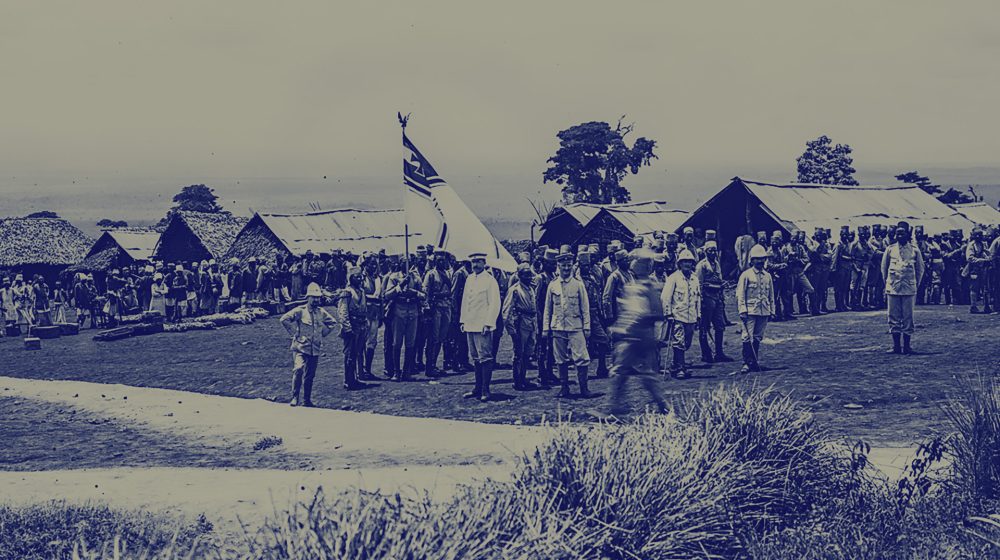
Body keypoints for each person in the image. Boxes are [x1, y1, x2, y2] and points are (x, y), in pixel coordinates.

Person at [542, 248, 592, 398]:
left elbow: (585, 308)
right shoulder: (553, 285)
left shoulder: (578, 284)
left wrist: (587, 327)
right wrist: (545, 328)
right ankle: (564, 387)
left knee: (582, 357)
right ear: (558, 265)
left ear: (572, 265)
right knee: (560, 358)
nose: (566, 268)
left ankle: (584, 388)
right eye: (563, 265)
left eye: (568, 265)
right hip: (558, 326)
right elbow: (547, 309)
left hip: (575, 326)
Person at [280, 282, 337, 406]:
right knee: (298, 369)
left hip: (314, 348)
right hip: (300, 347)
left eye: (318, 297)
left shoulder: (321, 312)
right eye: (314, 297)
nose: (316, 300)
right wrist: (293, 332)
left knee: (310, 375)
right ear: (308, 297)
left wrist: (323, 333)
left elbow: (332, 322)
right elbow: (284, 319)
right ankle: (295, 397)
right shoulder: (300, 311)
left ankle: (307, 400)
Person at [460, 252, 501, 402]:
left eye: (478, 262)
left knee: (485, 357)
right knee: (475, 357)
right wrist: (463, 321)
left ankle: (485, 389)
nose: (475, 265)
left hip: (482, 325)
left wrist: (489, 323)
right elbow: (465, 301)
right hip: (470, 324)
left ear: (484, 263)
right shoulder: (469, 279)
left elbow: (494, 304)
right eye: (473, 262)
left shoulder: (490, 281)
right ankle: (477, 388)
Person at [881, 221, 925, 355]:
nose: (899, 236)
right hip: (893, 288)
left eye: (902, 233)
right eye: (897, 233)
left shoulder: (914, 250)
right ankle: (896, 347)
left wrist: (914, 285)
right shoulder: (890, 249)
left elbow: (920, 270)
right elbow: (884, 268)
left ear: (908, 234)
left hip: (909, 289)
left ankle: (907, 346)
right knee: (893, 316)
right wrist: (888, 284)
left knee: (908, 317)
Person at [736, 244, 775, 374]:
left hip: (764, 310)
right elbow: (740, 294)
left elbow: (771, 295)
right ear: (751, 260)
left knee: (758, 337)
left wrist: (772, 310)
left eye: (762, 258)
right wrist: (742, 310)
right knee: (747, 336)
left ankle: (754, 361)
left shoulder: (767, 276)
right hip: (750, 311)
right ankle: (747, 363)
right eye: (757, 259)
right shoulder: (746, 275)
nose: (760, 261)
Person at [662, 249, 700, 379]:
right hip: (678, 315)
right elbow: (665, 297)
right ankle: (680, 368)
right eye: (684, 262)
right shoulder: (673, 278)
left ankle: (674, 365)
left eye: (689, 262)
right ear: (679, 264)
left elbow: (698, 298)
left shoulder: (695, 279)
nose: (687, 265)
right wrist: (668, 314)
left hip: (691, 316)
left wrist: (698, 314)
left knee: (687, 343)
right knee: (679, 341)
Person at [695, 241, 732, 364]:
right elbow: (699, 284)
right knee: (704, 327)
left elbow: (719, 279)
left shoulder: (716, 264)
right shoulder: (701, 265)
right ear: (705, 252)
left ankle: (719, 353)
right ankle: (706, 354)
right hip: (707, 298)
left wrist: (721, 287)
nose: (713, 253)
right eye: (710, 250)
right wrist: (700, 302)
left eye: (714, 250)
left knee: (720, 326)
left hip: (717, 298)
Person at [502, 263, 537, 390]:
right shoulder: (515, 290)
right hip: (521, 324)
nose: (529, 277)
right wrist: (512, 332)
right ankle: (517, 381)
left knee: (528, 352)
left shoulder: (530, 288)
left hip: (531, 323)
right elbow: (506, 313)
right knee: (519, 353)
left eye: (530, 275)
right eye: (526, 275)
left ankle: (523, 378)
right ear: (519, 275)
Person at [338, 266, 369, 390]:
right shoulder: (347, 292)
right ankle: (348, 380)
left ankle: (355, 378)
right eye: (356, 276)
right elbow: (343, 312)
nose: (360, 278)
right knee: (349, 354)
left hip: (361, 324)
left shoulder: (361, 291)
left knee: (357, 353)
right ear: (351, 278)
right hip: (352, 325)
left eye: (360, 276)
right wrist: (347, 328)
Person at [422, 252, 453, 378]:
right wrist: (427, 308)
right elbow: (425, 292)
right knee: (433, 338)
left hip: (446, 307)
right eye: (439, 260)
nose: (442, 262)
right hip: (436, 308)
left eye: (443, 260)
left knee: (441, 337)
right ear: (435, 261)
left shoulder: (448, 274)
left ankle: (434, 364)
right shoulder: (430, 274)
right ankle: (429, 366)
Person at [965, 228, 991, 314]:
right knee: (974, 288)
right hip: (974, 269)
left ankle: (986, 306)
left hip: (983, 269)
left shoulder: (984, 244)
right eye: (979, 236)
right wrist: (982, 260)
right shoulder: (971, 245)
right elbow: (969, 258)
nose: (981, 237)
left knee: (985, 288)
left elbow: (988, 254)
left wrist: (988, 259)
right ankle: (973, 307)